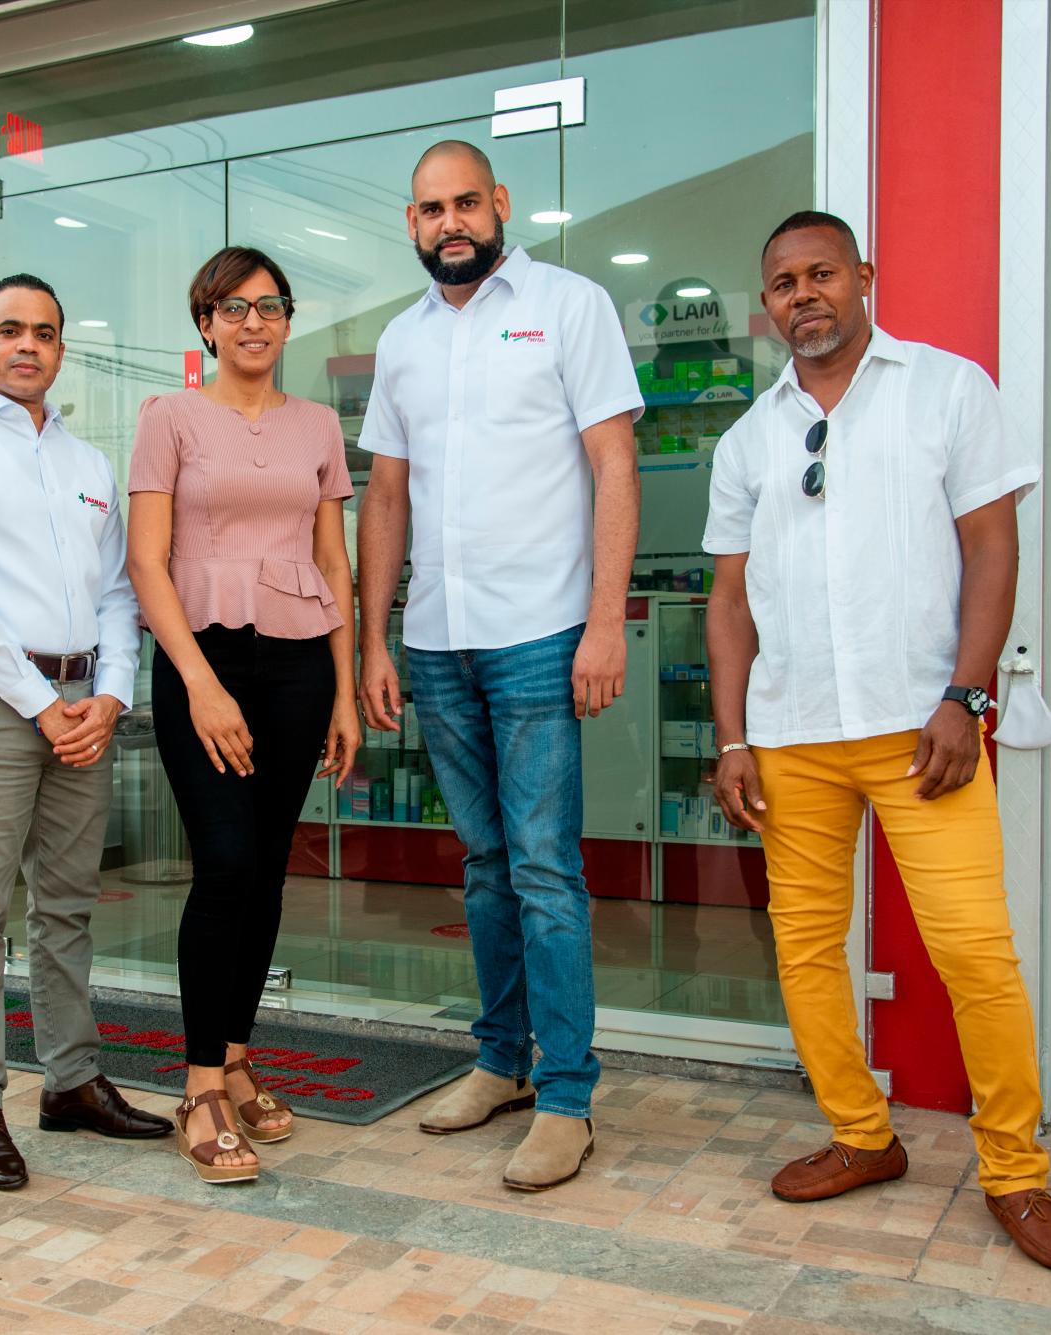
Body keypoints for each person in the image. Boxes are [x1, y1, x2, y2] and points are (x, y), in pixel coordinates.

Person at [702, 210, 1051, 1273]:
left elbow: (990, 548)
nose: (801, 295)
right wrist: (732, 737)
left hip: (923, 732)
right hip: (790, 738)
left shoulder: (945, 390)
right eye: (781, 282)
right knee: (804, 949)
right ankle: (858, 1135)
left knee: (973, 952)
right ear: (767, 302)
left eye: (820, 272)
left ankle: (1014, 1171)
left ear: (863, 276)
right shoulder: (748, 440)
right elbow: (728, 601)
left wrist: (965, 698)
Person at [358, 142, 642, 1192]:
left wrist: (603, 621)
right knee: (483, 868)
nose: (450, 223)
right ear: (411, 222)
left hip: (538, 633)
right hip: (437, 640)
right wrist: (370, 638)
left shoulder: (569, 307)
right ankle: (500, 1062)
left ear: (499, 205)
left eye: (465, 202)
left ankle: (566, 1095)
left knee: (542, 870)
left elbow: (614, 463)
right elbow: (386, 496)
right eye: (430, 208)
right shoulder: (399, 341)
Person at [0, 273, 170, 1193]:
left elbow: (117, 593)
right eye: (9, 330)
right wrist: (36, 701)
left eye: (45, 333)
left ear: (60, 350)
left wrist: (112, 696)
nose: (27, 345)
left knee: (67, 905)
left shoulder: (90, 465)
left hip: (81, 704)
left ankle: (73, 1081)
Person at [127, 247, 361, 1185]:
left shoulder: (317, 424)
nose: (255, 322)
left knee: (264, 872)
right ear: (206, 323)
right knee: (222, 865)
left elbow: (334, 562)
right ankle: (199, 1088)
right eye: (234, 308)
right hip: (204, 661)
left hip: (301, 662)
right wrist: (200, 682)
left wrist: (344, 690)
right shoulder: (169, 417)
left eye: (271, 307)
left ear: (288, 320)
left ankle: (235, 1054)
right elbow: (149, 561)